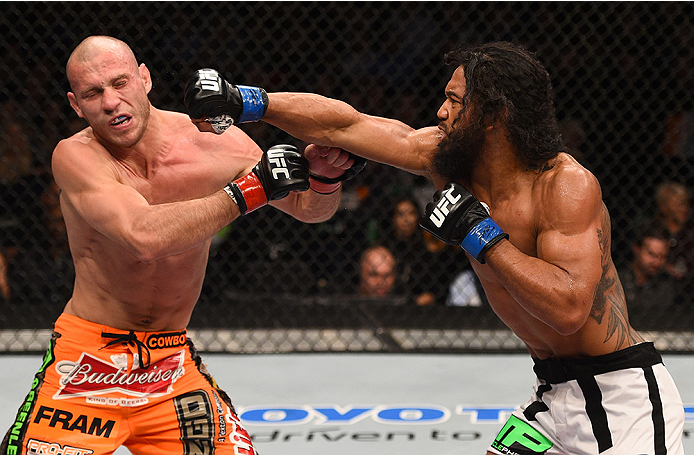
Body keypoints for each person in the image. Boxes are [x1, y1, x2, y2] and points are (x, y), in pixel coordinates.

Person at [186, 41, 685, 454]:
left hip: (623, 398)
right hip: (554, 394)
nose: (439, 111)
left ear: (493, 116)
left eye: (454, 101)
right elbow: (347, 126)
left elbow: (571, 307)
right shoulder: (445, 159)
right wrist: (247, 101)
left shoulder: (565, 185)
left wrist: (480, 235)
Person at [1, 35, 363, 455]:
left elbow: (308, 210)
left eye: (120, 83)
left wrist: (324, 178)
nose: (111, 102)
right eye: (93, 93)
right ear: (75, 105)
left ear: (144, 79)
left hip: (168, 363)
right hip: (85, 361)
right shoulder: (76, 156)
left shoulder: (215, 144)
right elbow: (143, 236)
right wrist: (250, 190)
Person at [618, 229, 687, 328]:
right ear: (637, 249)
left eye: (662, 257)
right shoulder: (617, 279)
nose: (657, 262)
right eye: (652, 254)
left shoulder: (668, 286)